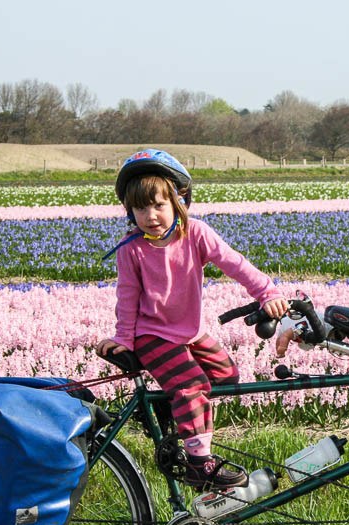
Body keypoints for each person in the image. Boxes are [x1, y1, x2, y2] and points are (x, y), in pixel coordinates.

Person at [96, 149, 288, 490]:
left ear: (179, 201)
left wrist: (267, 294)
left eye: (158, 204)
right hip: (152, 335)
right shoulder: (131, 250)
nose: (150, 215)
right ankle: (200, 465)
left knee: (227, 375)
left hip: (191, 333)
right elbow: (127, 298)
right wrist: (124, 339)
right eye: (140, 208)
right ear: (130, 211)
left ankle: (169, 412)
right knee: (191, 386)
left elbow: (236, 265)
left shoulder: (195, 232)